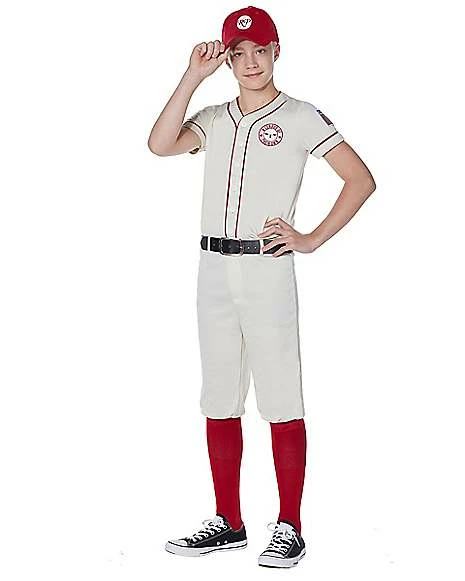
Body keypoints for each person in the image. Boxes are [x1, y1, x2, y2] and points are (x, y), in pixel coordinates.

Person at [147, 5, 376, 569]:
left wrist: (310, 238)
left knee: (280, 395)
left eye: (260, 50)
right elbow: (160, 144)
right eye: (238, 52)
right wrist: (192, 75)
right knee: (219, 395)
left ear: (277, 51)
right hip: (213, 269)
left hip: (266, 267)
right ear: (227, 59)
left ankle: (289, 525)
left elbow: (360, 179)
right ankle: (228, 521)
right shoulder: (214, 117)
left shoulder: (299, 116)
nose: (250, 61)